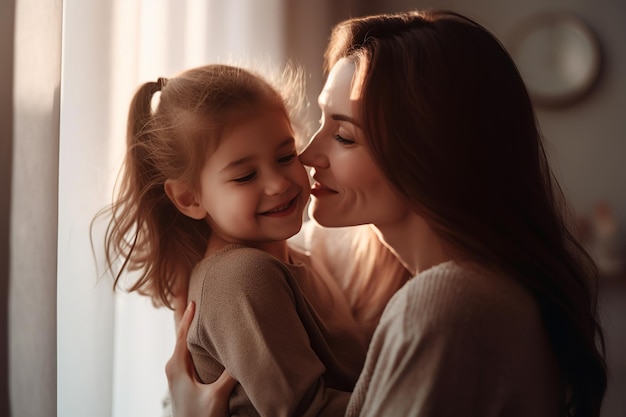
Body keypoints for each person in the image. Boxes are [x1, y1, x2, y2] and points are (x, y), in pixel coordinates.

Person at [165, 9, 608, 417]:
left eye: (344, 135)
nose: (308, 154)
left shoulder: (446, 304)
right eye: (319, 123)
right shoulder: (433, 289)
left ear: (429, 156)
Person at [98, 63, 409, 417]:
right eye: (246, 176)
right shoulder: (241, 277)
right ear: (189, 198)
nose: (278, 183)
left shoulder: (295, 259)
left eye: (285, 156)